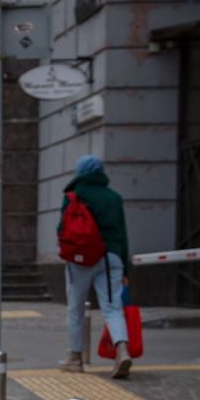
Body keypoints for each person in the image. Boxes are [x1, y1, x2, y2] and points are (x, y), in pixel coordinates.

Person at [59, 155, 133, 378]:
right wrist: (126, 269)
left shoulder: (74, 196)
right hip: (111, 258)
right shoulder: (114, 198)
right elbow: (123, 234)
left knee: (76, 308)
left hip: (80, 258)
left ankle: (75, 358)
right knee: (112, 307)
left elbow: (62, 228)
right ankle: (122, 350)